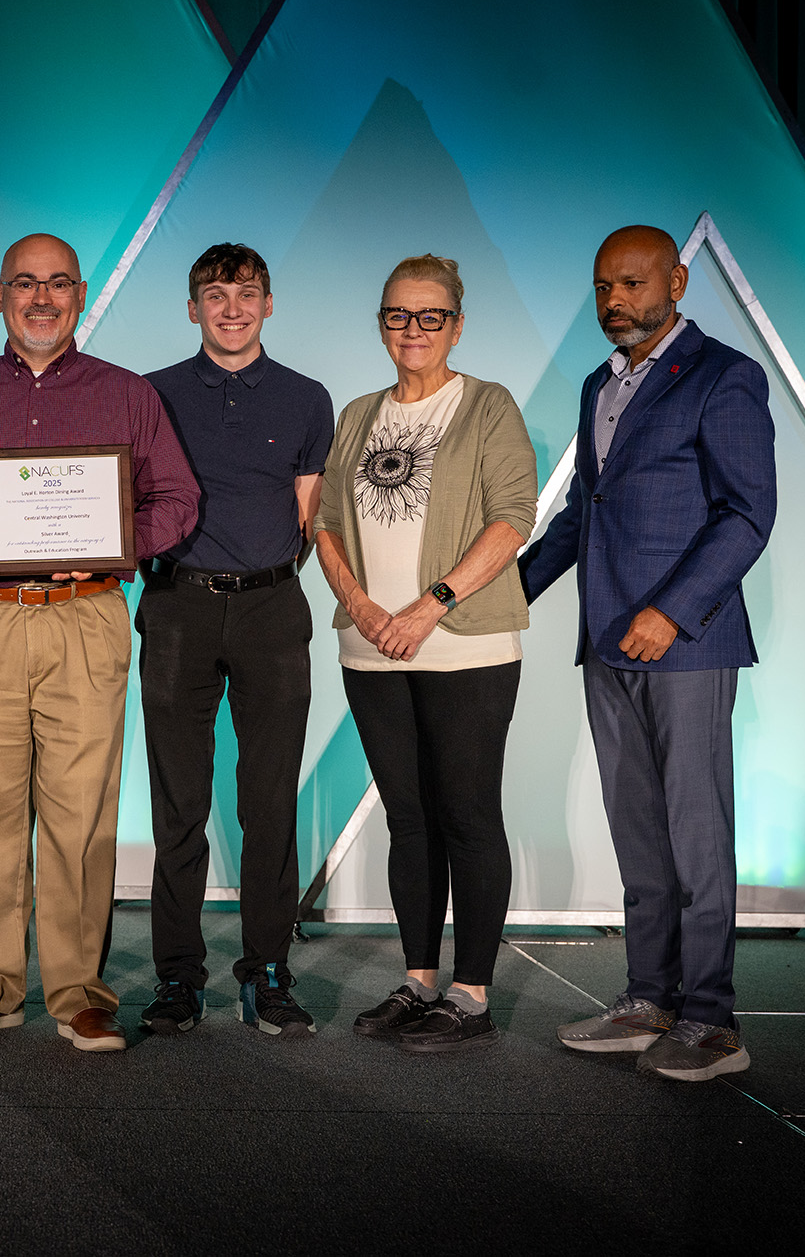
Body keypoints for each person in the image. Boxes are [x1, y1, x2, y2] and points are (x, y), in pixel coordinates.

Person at [0, 233, 198, 1053]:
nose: (42, 297)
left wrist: (109, 541)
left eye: (58, 283)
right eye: (25, 283)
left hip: (85, 612)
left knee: (80, 813)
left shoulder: (126, 395)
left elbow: (179, 500)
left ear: (81, 294)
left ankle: (79, 990)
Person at [518, 225, 775, 1081]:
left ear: (678, 280)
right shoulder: (600, 382)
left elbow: (746, 515)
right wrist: (504, 593)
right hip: (606, 643)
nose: (615, 301)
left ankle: (711, 1020)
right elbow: (583, 516)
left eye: (631, 283)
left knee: (697, 832)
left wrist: (672, 609)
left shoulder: (725, 376)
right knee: (638, 829)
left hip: (688, 643)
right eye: (602, 287)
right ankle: (648, 996)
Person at [314, 254, 538, 1051]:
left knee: (468, 815)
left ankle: (471, 995)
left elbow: (515, 516)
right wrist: (363, 607)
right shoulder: (358, 412)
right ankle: (418, 979)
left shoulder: (487, 406)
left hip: (466, 647)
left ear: (457, 324)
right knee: (408, 821)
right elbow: (327, 523)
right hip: (372, 646)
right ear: (381, 323)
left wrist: (429, 605)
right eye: (398, 316)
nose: (413, 331)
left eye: (430, 316)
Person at [138, 243, 333, 1038]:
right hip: (177, 604)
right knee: (178, 803)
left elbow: (310, 515)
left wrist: (264, 574)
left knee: (268, 802)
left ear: (269, 304)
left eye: (246, 293)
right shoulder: (150, 394)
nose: (231, 308)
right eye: (214, 295)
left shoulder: (305, 397)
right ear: (192, 308)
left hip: (270, 610)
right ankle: (180, 977)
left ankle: (268, 970)